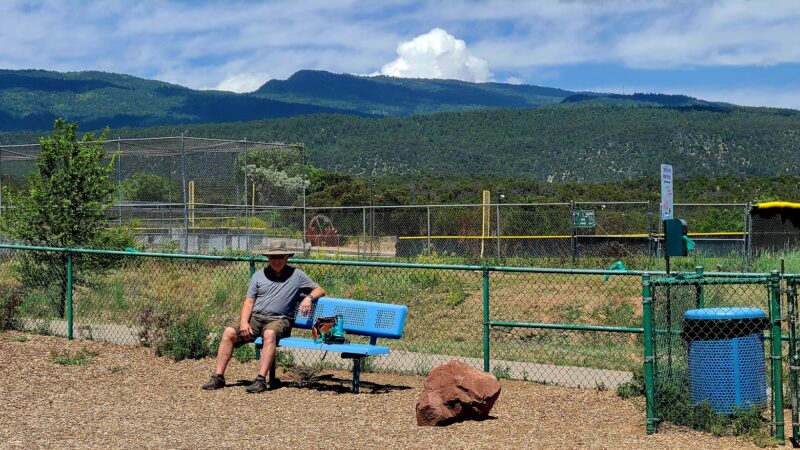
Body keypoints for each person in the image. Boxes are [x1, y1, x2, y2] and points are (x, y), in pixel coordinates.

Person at [202, 241, 325, 393]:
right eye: (273, 257)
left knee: (269, 333)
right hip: (256, 318)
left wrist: (308, 298)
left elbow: (320, 289)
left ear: (287, 257)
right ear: (268, 258)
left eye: (280, 256)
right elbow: (249, 301)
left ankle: (261, 379)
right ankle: (218, 377)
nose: (276, 260)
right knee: (228, 332)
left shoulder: (297, 275)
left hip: (279, 320)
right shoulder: (258, 276)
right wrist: (243, 323)